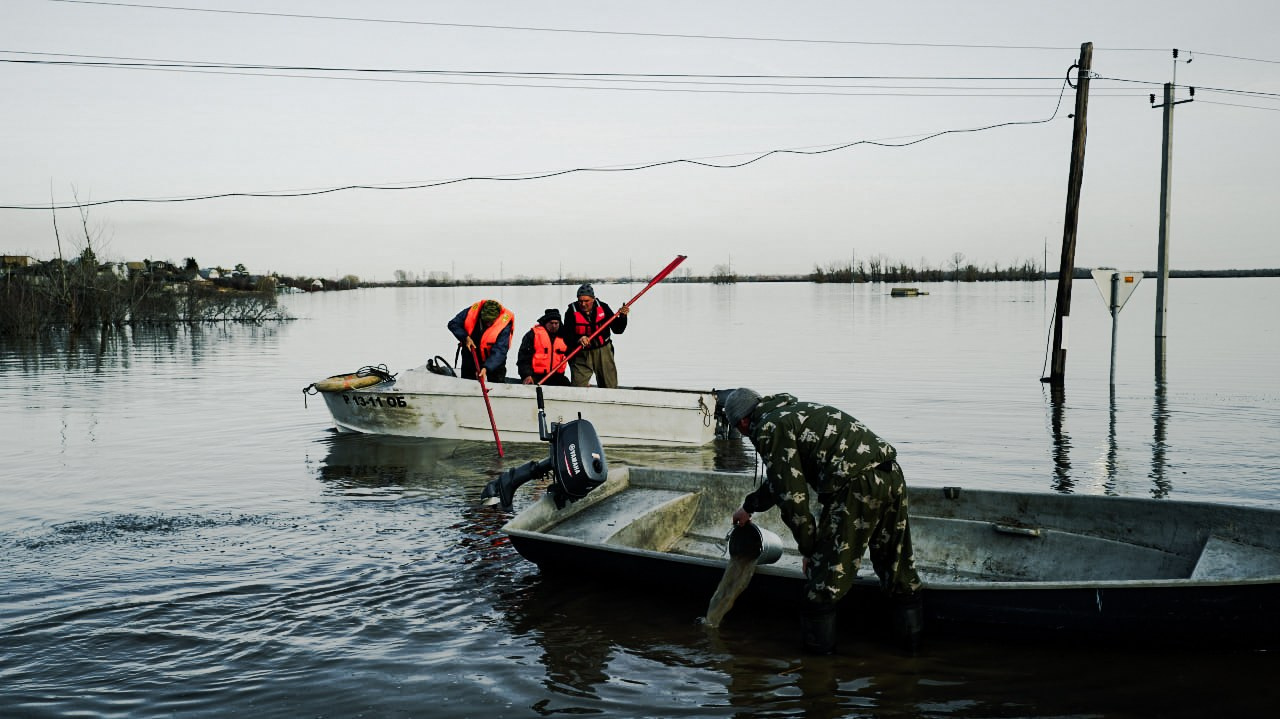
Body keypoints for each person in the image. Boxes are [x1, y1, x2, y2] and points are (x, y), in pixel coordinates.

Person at [721, 388, 924, 655]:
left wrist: (810, 550)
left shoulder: (769, 428)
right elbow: (782, 477)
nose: (745, 435)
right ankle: (913, 654)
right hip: (891, 475)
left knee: (820, 591)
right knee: (898, 572)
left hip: (855, 487)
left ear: (743, 422)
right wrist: (749, 507)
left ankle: (817, 674)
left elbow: (793, 499)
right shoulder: (790, 412)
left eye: (739, 429)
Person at [558, 283, 628, 388]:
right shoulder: (571, 312)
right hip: (581, 353)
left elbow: (618, 329)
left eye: (586, 301)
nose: (583, 304)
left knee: (609, 385)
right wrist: (578, 339)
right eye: (580, 301)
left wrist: (623, 316)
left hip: (603, 351)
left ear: (593, 299)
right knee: (578, 386)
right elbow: (567, 336)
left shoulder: (603, 307)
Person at [446, 299, 514, 382]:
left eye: (491, 321)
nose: (488, 324)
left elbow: (500, 351)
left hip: (494, 361)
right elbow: (453, 324)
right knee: (468, 382)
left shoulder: (505, 323)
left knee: (496, 382)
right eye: (486, 321)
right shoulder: (471, 311)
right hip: (471, 356)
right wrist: (465, 337)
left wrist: (486, 368)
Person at [517, 308, 570, 386]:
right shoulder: (533, 334)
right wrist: (526, 375)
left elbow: (574, 359)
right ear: (545, 323)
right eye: (551, 323)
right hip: (536, 376)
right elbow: (524, 357)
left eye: (556, 323)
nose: (554, 326)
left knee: (567, 385)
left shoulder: (566, 337)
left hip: (557, 377)